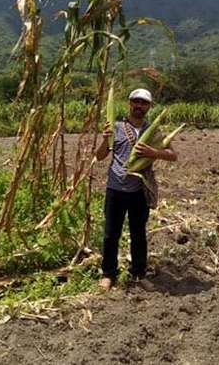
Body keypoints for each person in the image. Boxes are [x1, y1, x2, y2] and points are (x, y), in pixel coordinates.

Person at [96, 88, 177, 291]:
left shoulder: (154, 131)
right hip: (115, 188)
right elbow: (99, 156)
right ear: (129, 103)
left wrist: (153, 152)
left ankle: (139, 274)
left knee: (138, 234)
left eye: (144, 103)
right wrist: (105, 139)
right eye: (136, 102)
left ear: (149, 107)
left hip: (139, 191)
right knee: (110, 234)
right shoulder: (115, 127)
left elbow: (172, 155)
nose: (139, 106)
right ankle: (108, 274)